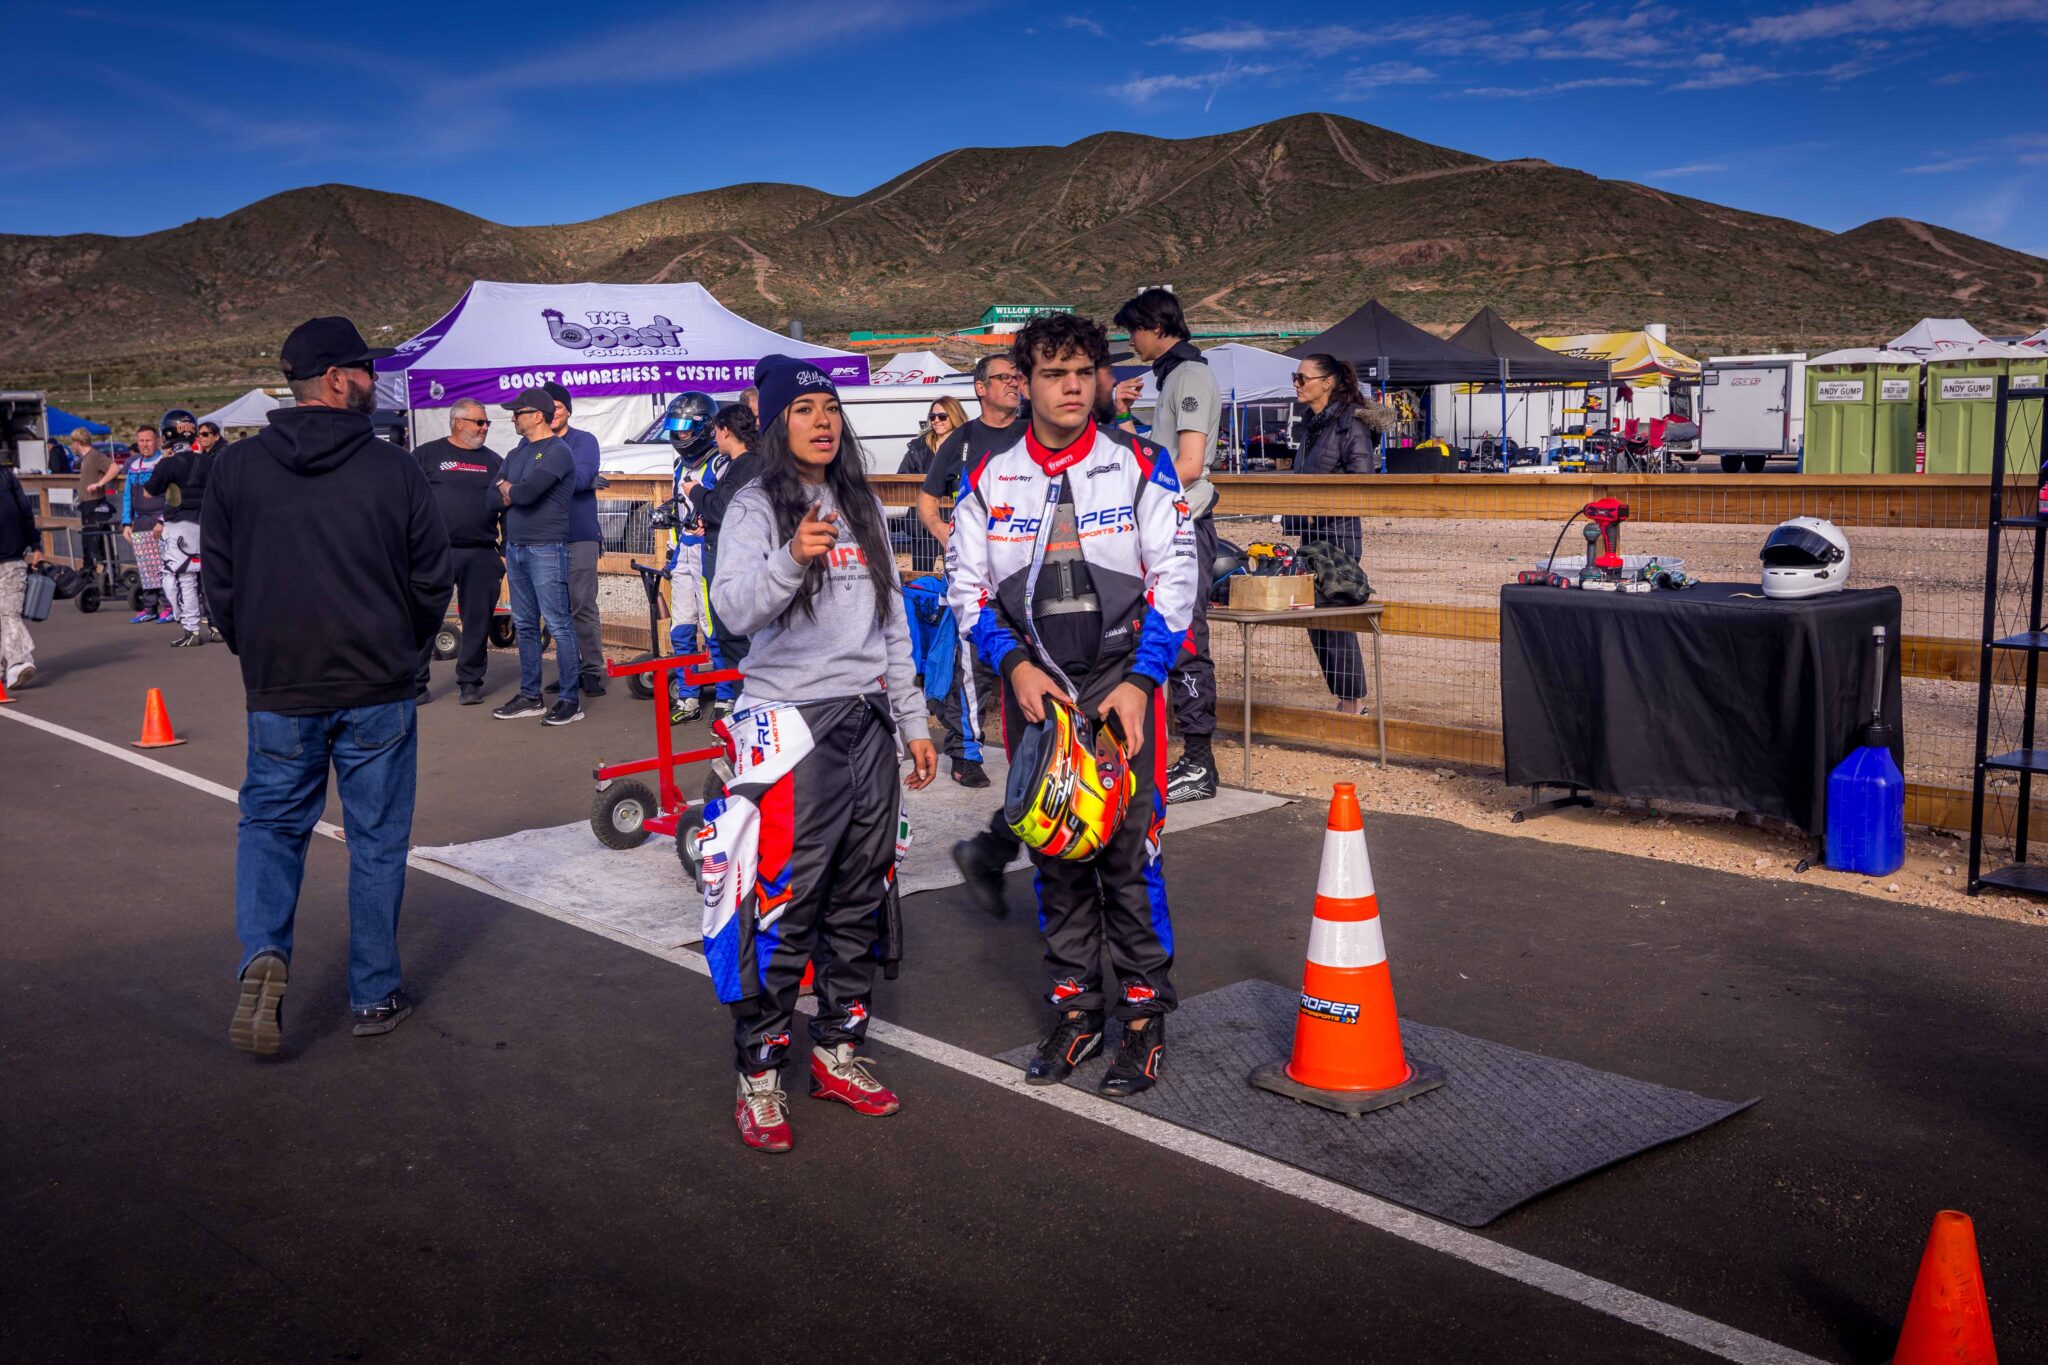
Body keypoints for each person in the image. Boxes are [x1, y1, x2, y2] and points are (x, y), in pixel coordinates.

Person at [949, 313, 1196, 1097]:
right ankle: (1076, 1010)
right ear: (1025, 383)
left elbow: (1178, 577)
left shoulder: (1141, 463)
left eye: (1084, 372)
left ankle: (1143, 1018)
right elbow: (967, 589)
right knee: (1057, 855)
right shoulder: (989, 476)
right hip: (1039, 691)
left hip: (1124, 684)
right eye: (1054, 373)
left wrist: (1141, 682)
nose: (1071, 387)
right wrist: (1014, 665)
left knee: (1128, 856)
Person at [704, 354, 938, 1152]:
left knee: (859, 894)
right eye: (804, 409)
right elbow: (732, 611)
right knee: (785, 904)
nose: (822, 421)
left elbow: (893, 623)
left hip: (867, 720)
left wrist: (913, 720)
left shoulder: (861, 502)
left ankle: (838, 1050)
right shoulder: (753, 506)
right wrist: (792, 556)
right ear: (777, 424)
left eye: (830, 407)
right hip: (788, 725)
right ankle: (760, 1072)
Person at [202, 315, 452, 1053]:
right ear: (339, 380)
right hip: (377, 684)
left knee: (272, 826)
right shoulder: (393, 468)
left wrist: (257, 651)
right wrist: (404, 650)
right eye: (366, 370)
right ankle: (373, 993)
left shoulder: (235, 469)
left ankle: (264, 950)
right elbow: (431, 576)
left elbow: (219, 581)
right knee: (377, 841)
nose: (375, 382)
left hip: (282, 685)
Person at [1114, 289, 1222, 804]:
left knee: (1186, 638)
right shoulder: (1174, 375)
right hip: (1168, 523)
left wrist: (1137, 499)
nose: (1131, 342)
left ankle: (1200, 763)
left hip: (1185, 523)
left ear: (1157, 327)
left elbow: (1190, 464)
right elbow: (1155, 455)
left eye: (1134, 331)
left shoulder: (1191, 373)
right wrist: (1122, 416)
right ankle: (1180, 754)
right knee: (1161, 631)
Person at [916, 355, 1026, 798]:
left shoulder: (1034, 433)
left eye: (1018, 377)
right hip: (974, 571)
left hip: (1026, 566)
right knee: (972, 661)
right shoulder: (960, 442)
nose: (1014, 384)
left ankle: (1042, 750)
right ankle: (965, 752)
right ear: (981, 388)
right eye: (1004, 378)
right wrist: (944, 533)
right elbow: (927, 500)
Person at [488, 389, 584, 726]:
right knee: (525, 625)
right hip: (516, 548)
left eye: (518, 412)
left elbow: (526, 494)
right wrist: (510, 490)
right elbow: (490, 498)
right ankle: (531, 697)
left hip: (545, 548)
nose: (513, 417)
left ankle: (570, 700)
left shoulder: (558, 452)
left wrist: (508, 487)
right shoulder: (517, 452)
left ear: (537, 415)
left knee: (558, 624)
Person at [1283, 354, 1373, 713]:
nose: (1297, 383)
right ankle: (1347, 700)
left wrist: (1320, 506)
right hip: (1311, 536)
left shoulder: (1350, 425)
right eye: (1295, 377)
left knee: (1332, 616)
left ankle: (1352, 703)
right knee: (1314, 616)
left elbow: (1362, 482)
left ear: (1328, 382)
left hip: (1338, 537)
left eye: (1302, 378)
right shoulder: (1313, 425)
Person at [413, 398, 504, 705]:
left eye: (487, 422)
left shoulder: (494, 462)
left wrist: (504, 551)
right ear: (457, 422)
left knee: (477, 621)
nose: (485, 427)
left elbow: (508, 508)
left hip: (480, 552)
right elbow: (405, 500)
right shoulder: (426, 455)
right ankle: (415, 684)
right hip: (434, 552)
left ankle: (470, 682)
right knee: (424, 617)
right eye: (479, 422)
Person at [693, 402, 760, 717]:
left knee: (733, 632)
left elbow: (723, 508)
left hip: (730, 555)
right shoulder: (739, 464)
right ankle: (745, 705)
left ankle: (748, 708)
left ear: (726, 431)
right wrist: (705, 516)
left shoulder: (747, 464)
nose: (714, 437)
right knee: (729, 633)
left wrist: (695, 493)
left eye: (716, 431)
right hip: (724, 547)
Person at [542, 381, 608, 700]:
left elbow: (582, 477)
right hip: (545, 537)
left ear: (568, 410)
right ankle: (569, 669)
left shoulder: (584, 441)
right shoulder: (533, 443)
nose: (553, 412)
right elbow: (521, 481)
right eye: (548, 407)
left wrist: (542, 481)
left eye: (558, 406)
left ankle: (591, 669)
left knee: (582, 605)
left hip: (579, 534)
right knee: (557, 610)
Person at [658, 391, 720, 722]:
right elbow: (676, 513)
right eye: (675, 429)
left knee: (712, 629)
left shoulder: (719, 463)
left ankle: (726, 698)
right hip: (682, 552)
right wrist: (672, 552)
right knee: (681, 630)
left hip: (708, 554)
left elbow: (726, 508)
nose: (680, 436)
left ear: (704, 428)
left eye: (685, 430)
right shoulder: (679, 466)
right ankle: (688, 697)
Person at [146, 407, 219, 647]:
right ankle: (216, 626)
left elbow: (150, 491)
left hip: (179, 526)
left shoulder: (168, 464)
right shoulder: (208, 461)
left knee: (182, 578)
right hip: (206, 525)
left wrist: (163, 462)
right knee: (208, 578)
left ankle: (191, 629)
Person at [898, 395, 965, 571]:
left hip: (956, 522)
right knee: (921, 573)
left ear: (954, 416)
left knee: (958, 574)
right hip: (924, 524)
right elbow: (902, 477)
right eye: (932, 417)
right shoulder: (919, 447)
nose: (936, 421)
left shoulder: (968, 445)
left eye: (942, 416)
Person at [120, 425, 171, 623]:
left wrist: (163, 520)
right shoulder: (134, 466)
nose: (145, 444)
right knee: (146, 567)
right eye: (141, 441)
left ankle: (170, 606)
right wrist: (126, 523)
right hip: (140, 521)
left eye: (148, 440)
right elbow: (128, 496)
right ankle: (150, 608)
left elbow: (172, 495)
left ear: (157, 441)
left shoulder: (164, 463)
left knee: (165, 565)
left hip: (160, 521)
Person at [1, 463, 44, 691]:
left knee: (10, 612)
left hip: (12, 557)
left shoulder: (6, 477)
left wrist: (35, 544)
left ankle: (18, 662)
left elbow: (25, 512)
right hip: (11, 554)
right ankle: (6, 665)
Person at [72, 429, 121, 580]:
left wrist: (100, 483)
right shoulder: (86, 458)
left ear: (78, 442)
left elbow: (114, 468)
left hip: (94, 503)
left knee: (96, 539)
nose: (72, 445)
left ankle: (105, 570)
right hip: (87, 503)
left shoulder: (94, 455)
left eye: (73, 442)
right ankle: (91, 569)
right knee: (88, 539)